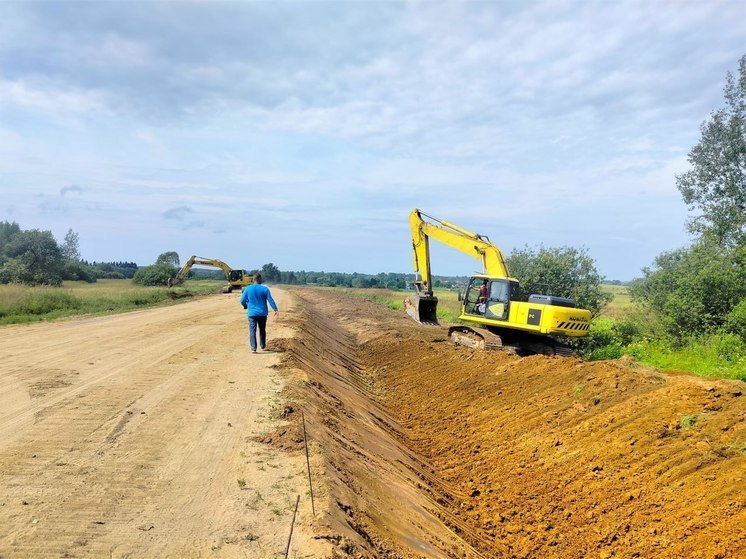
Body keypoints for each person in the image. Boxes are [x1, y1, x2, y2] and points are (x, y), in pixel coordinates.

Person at [239, 273, 278, 353]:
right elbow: (270, 300)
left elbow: (242, 300)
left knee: (252, 331)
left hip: (252, 314)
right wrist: (275, 309)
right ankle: (263, 346)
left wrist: (245, 306)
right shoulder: (265, 289)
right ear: (260, 279)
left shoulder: (247, 289)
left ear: (253, 279)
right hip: (262, 313)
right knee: (262, 330)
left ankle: (253, 348)